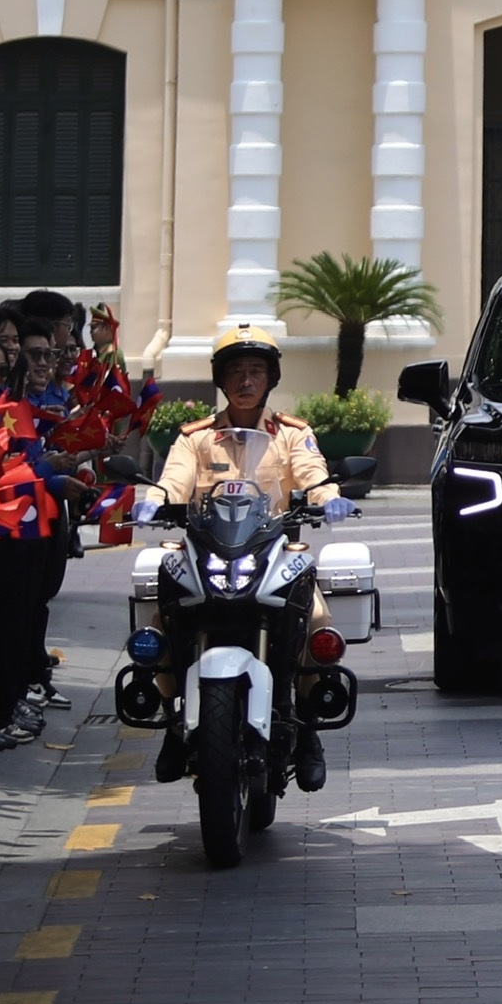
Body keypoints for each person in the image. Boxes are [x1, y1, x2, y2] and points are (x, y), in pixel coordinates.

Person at [140, 323, 353, 791]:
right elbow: (174, 478)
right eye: (236, 371)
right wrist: (153, 499)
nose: (245, 381)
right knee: (159, 625)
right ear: (220, 378)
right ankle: (175, 726)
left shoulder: (293, 434)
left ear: (271, 378)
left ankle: (309, 733)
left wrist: (327, 497)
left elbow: (312, 473)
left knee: (317, 621)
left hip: (271, 552)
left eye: (256, 370)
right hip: (208, 549)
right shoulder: (196, 438)